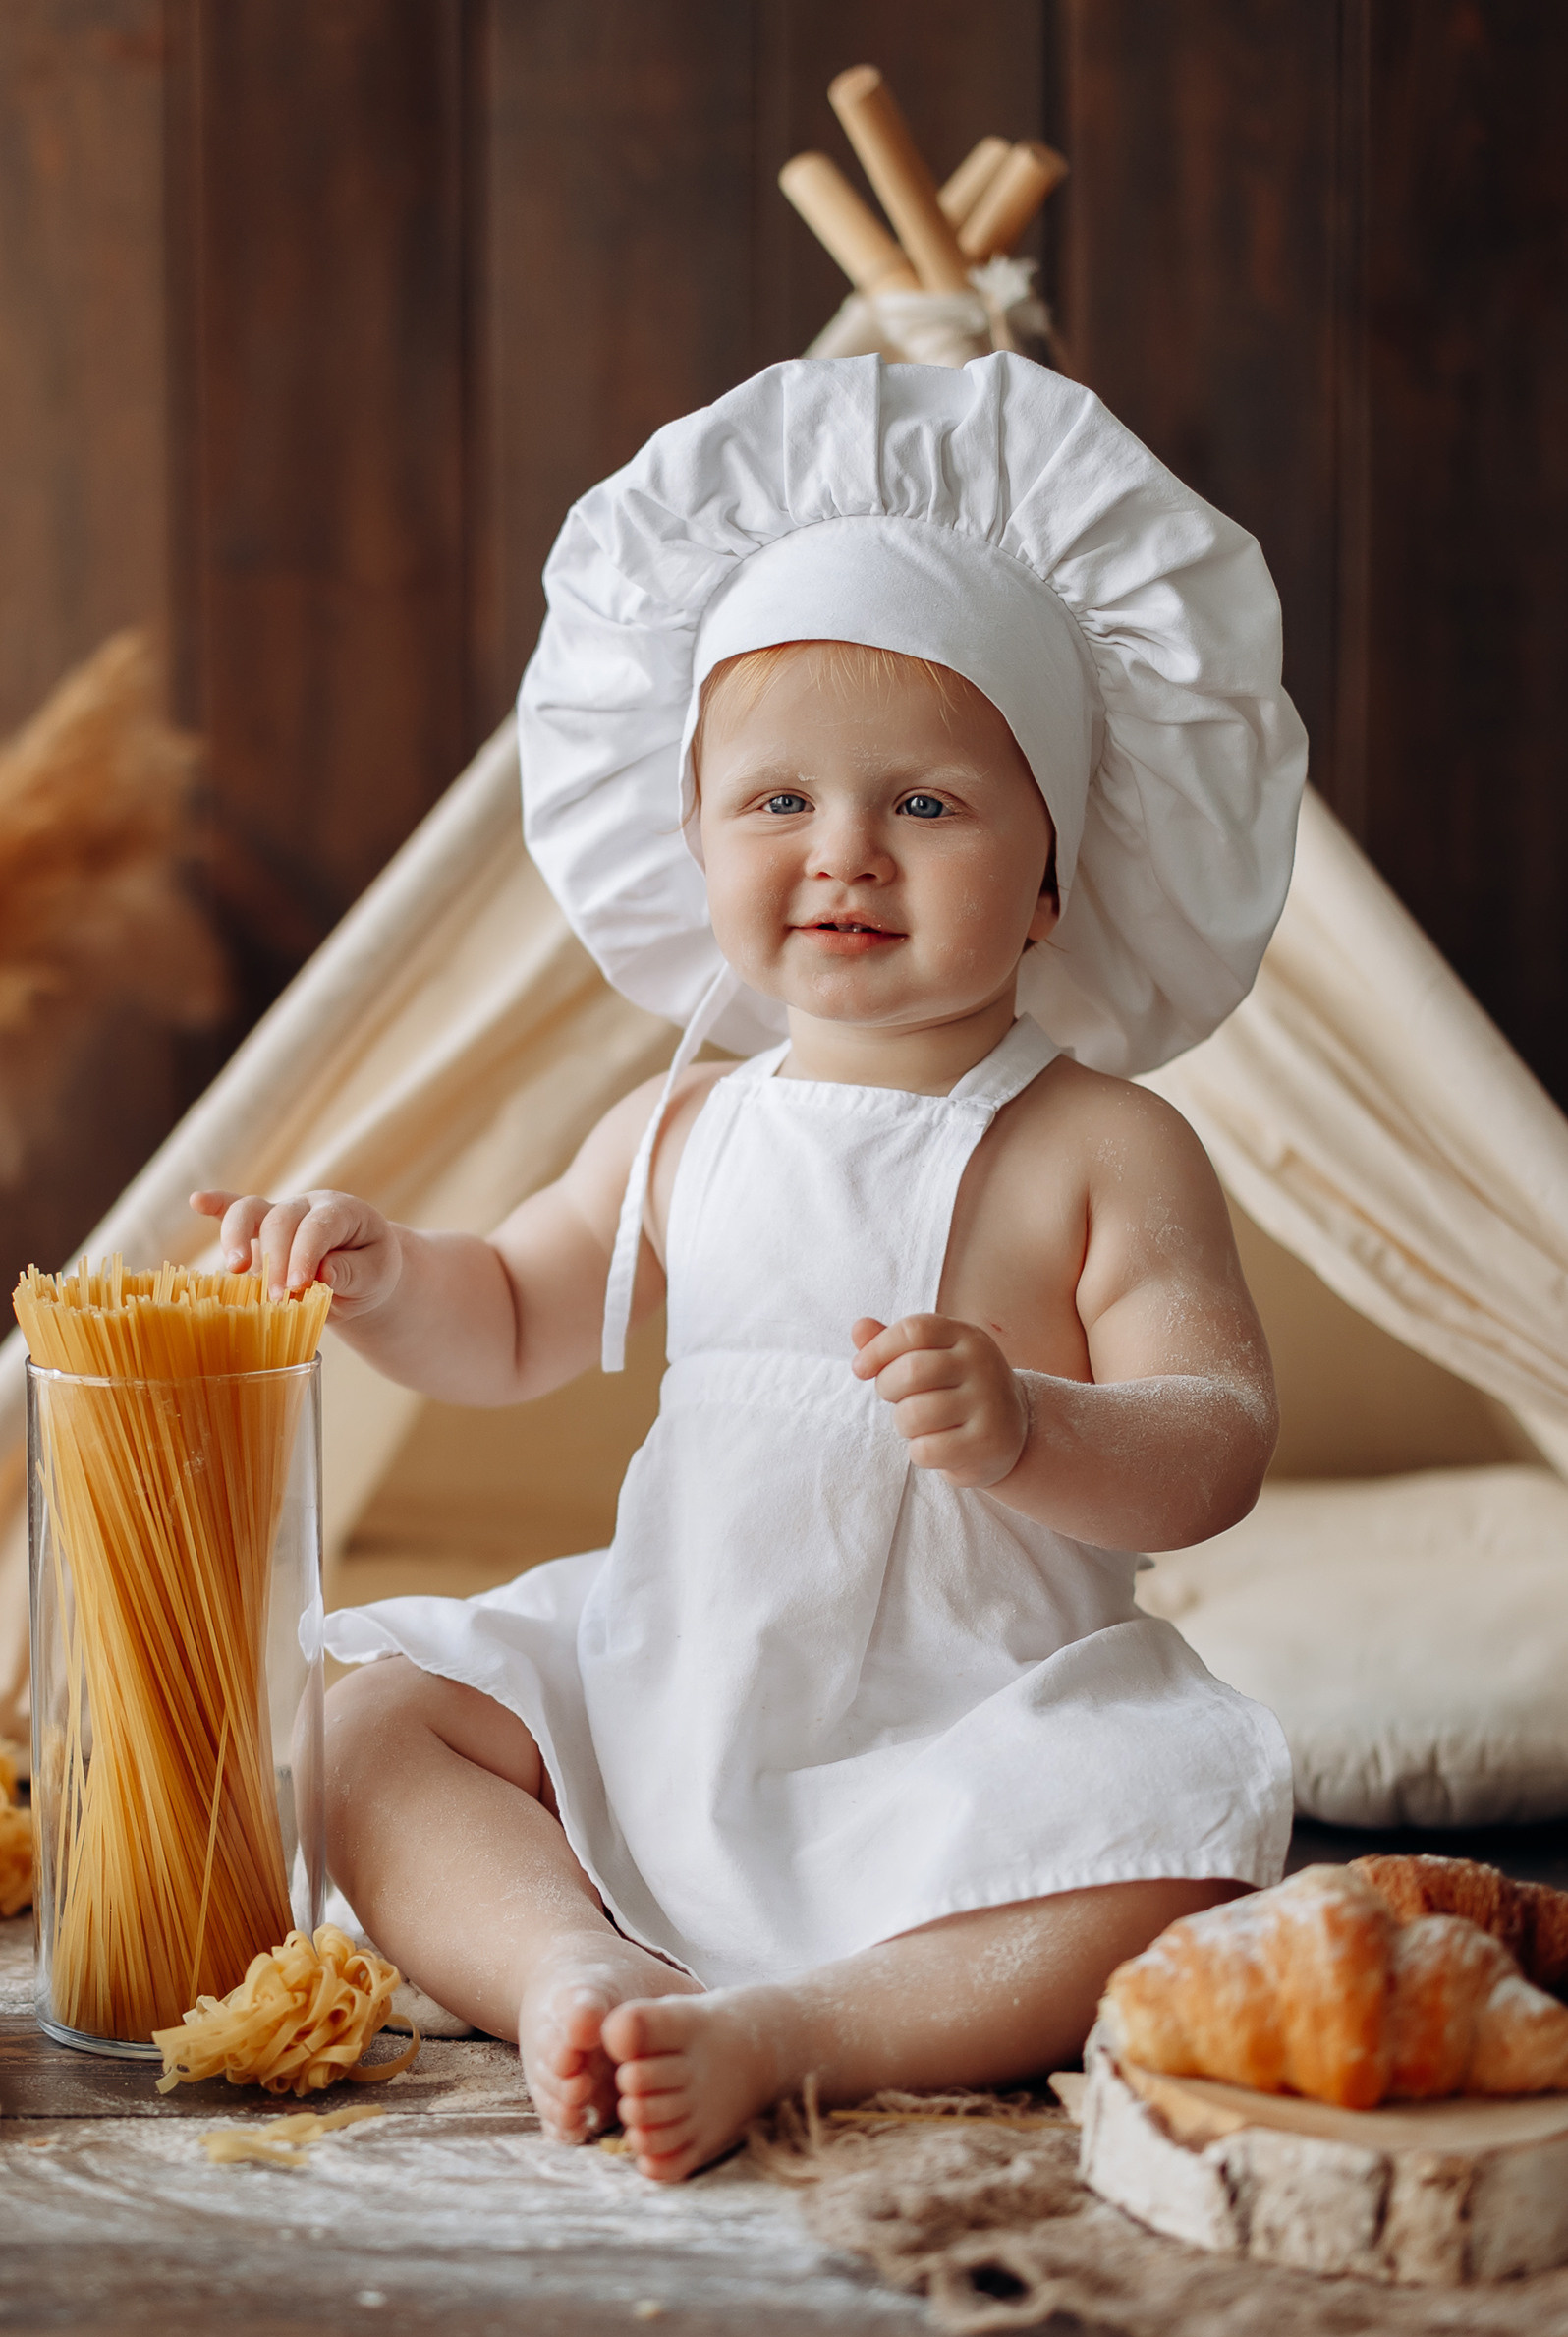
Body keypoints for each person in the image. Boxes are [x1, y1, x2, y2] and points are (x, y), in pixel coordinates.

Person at [195, 355, 1308, 2182]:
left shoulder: (1103, 1145)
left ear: (1052, 879)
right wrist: (390, 1278)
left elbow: (1220, 1438)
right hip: (673, 1678)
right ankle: (574, 1968)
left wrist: (1034, 1429)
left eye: (929, 807)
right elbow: (511, 1321)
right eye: (775, 803)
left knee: (1196, 1838)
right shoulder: (681, 1128)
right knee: (361, 1726)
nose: (844, 854)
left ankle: (802, 2032)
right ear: (696, 832)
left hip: (971, 1723)